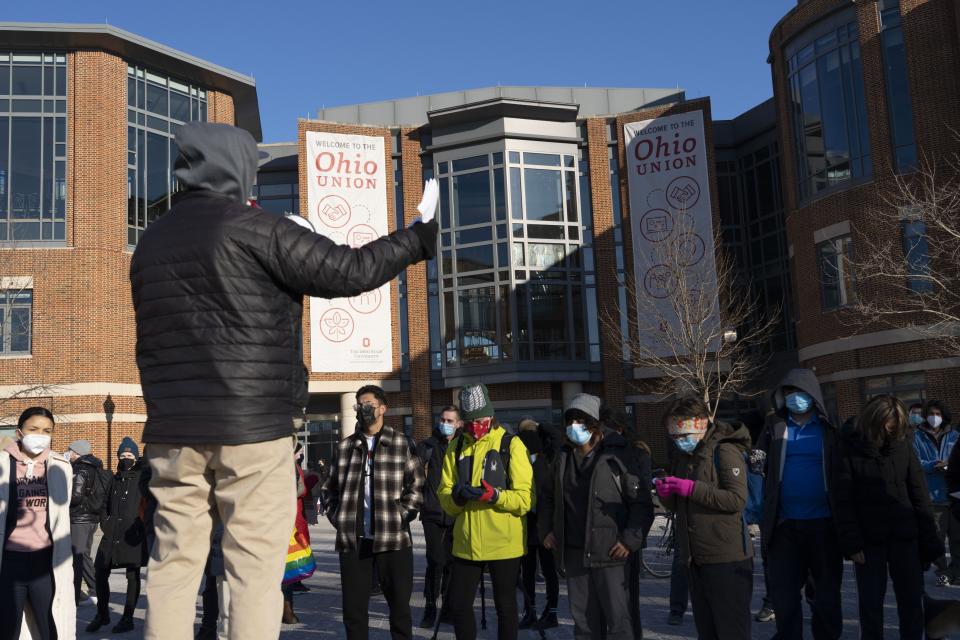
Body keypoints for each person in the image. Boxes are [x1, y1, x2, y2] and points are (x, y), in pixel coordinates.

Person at [129, 121, 440, 640]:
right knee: (252, 567)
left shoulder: (150, 245)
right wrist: (416, 238)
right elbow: (350, 271)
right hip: (253, 426)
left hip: (172, 431)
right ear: (238, 169)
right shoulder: (258, 229)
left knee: (173, 564)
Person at [540, 393, 652, 640]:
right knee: (585, 623)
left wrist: (629, 540)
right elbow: (547, 496)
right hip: (574, 551)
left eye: (580, 421)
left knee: (619, 621)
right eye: (569, 421)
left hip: (612, 551)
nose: (573, 427)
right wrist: (546, 529)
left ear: (594, 424)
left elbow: (641, 503)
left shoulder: (619, 454)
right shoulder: (562, 456)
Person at [831, 395, 941, 639]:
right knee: (870, 607)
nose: (892, 430)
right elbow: (841, 499)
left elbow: (919, 493)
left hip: (904, 537)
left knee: (912, 604)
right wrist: (851, 542)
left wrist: (929, 540)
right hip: (868, 542)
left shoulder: (903, 445)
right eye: (888, 425)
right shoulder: (847, 446)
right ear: (874, 421)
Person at [323, 384, 425, 639]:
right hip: (354, 542)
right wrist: (340, 518)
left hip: (393, 539)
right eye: (359, 405)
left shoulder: (401, 443)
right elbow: (329, 489)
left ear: (382, 409)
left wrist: (401, 515)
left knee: (400, 609)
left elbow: (417, 485)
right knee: (354, 612)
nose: (362, 409)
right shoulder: (345, 447)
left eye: (368, 404)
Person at [438, 383, 533, 640]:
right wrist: (456, 498)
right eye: (468, 422)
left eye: (479, 420)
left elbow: (525, 499)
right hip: (467, 542)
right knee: (458, 605)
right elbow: (444, 495)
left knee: (505, 606)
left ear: (490, 416)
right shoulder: (456, 447)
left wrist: (496, 496)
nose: (474, 427)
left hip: (504, 542)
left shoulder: (511, 445)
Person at [655, 397, 753, 640]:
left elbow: (736, 499)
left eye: (682, 433)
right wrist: (667, 495)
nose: (679, 441)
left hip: (726, 558)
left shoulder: (725, 450)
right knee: (707, 631)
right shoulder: (683, 457)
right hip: (695, 558)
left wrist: (691, 489)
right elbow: (681, 504)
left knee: (731, 631)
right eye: (674, 435)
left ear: (699, 424)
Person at [757, 368, 843, 640]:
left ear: (812, 394)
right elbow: (758, 462)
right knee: (784, 594)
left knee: (826, 594)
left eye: (800, 393)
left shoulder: (829, 428)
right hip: (785, 525)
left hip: (824, 525)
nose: (794, 398)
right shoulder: (775, 426)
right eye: (789, 393)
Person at [0, 407, 75, 640]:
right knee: (7, 629)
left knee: (50, 627)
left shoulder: (60, 467)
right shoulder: (3, 463)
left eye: (47, 430)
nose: (40, 435)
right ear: (20, 432)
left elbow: (61, 515)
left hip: (46, 562)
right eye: (33, 429)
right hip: (9, 562)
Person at [86, 437, 149, 634]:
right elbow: (104, 503)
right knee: (100, 572)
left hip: (133, 534)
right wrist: (105, 521)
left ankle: (128, 618)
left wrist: (142, 525)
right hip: (111, 533)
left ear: (136, 456)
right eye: (122, 455)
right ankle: (102, 614)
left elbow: (148, 504)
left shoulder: (142, 478)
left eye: (130, 455)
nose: (126, 458)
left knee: (133, 575)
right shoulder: (114, 478)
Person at [599, 405, 651, 640]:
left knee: (627, 602)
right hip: (605, 537)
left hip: (627, 534)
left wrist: (631, 538)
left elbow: (641, 499)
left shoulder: (635, 451)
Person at [416, 405, 460, 629]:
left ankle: (449, 607)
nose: (445, 423)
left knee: (453, 562)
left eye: (450, 420)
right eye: (443, 419)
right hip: (432, 512)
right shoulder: (427, 446)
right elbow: (413, 474)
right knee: (436, 560)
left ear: (459, 423)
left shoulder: (464, 446)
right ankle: (431, 606)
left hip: (456, 513)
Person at [516, 426, 559, 631]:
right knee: (528, 572)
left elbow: (547, 499)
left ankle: (551, 612)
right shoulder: (523, 465)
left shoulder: (544, 465)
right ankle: (530, 610)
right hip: (528, 526)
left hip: (544, 528)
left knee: (549, 571)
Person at [913, 399, 960, 585]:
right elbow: (915, 462)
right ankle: (943, 572)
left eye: (938, 414)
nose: (935, 417)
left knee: (958, 540)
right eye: (932, 414)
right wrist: (934, 465)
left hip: (954, 496)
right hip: (933, 497)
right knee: (936, 542)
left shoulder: (955, 436)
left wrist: (951, 464)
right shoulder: (917, 437)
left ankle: (954, 573)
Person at [67, 439, 104, 605]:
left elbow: (75, 496)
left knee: (79, 556)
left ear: (77, 453)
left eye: (71, 451)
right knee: (84, 555)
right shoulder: (95, 467)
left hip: (79, 517)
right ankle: (96, 589)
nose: (69, 453)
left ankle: (81, 594)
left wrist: (60, 499)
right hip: (91, 518)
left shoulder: (80, 469)